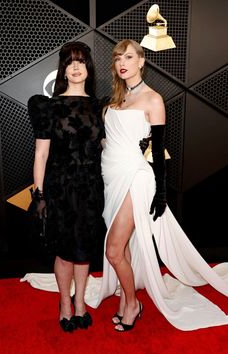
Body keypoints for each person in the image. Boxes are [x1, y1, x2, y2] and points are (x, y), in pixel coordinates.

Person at [91, 38, 228, 332]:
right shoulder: (116, 98)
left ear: (142, 61)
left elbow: (159, 149)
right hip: (111, 177)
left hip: (135, 177)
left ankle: (131, 304)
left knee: (113, 250)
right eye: (118, 59)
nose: (122, 63)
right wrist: (106, 142)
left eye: (129, 57)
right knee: (122, 246)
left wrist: (161, 191)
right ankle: (125, 300)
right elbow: (113, 137)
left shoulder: (153, 99)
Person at [27, 41, 106, 332]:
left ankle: (81, 302)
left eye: (81, 61)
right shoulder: (49, 106)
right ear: (63, 68)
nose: (76, 67)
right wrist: (39, 195)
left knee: (84, 250)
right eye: (70, 62)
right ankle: (64, 303)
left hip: (91, 187)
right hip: (60, 187)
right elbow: (41, 154)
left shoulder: (100, 106)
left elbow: (106, 146)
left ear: (88, 68)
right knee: (64, 251)